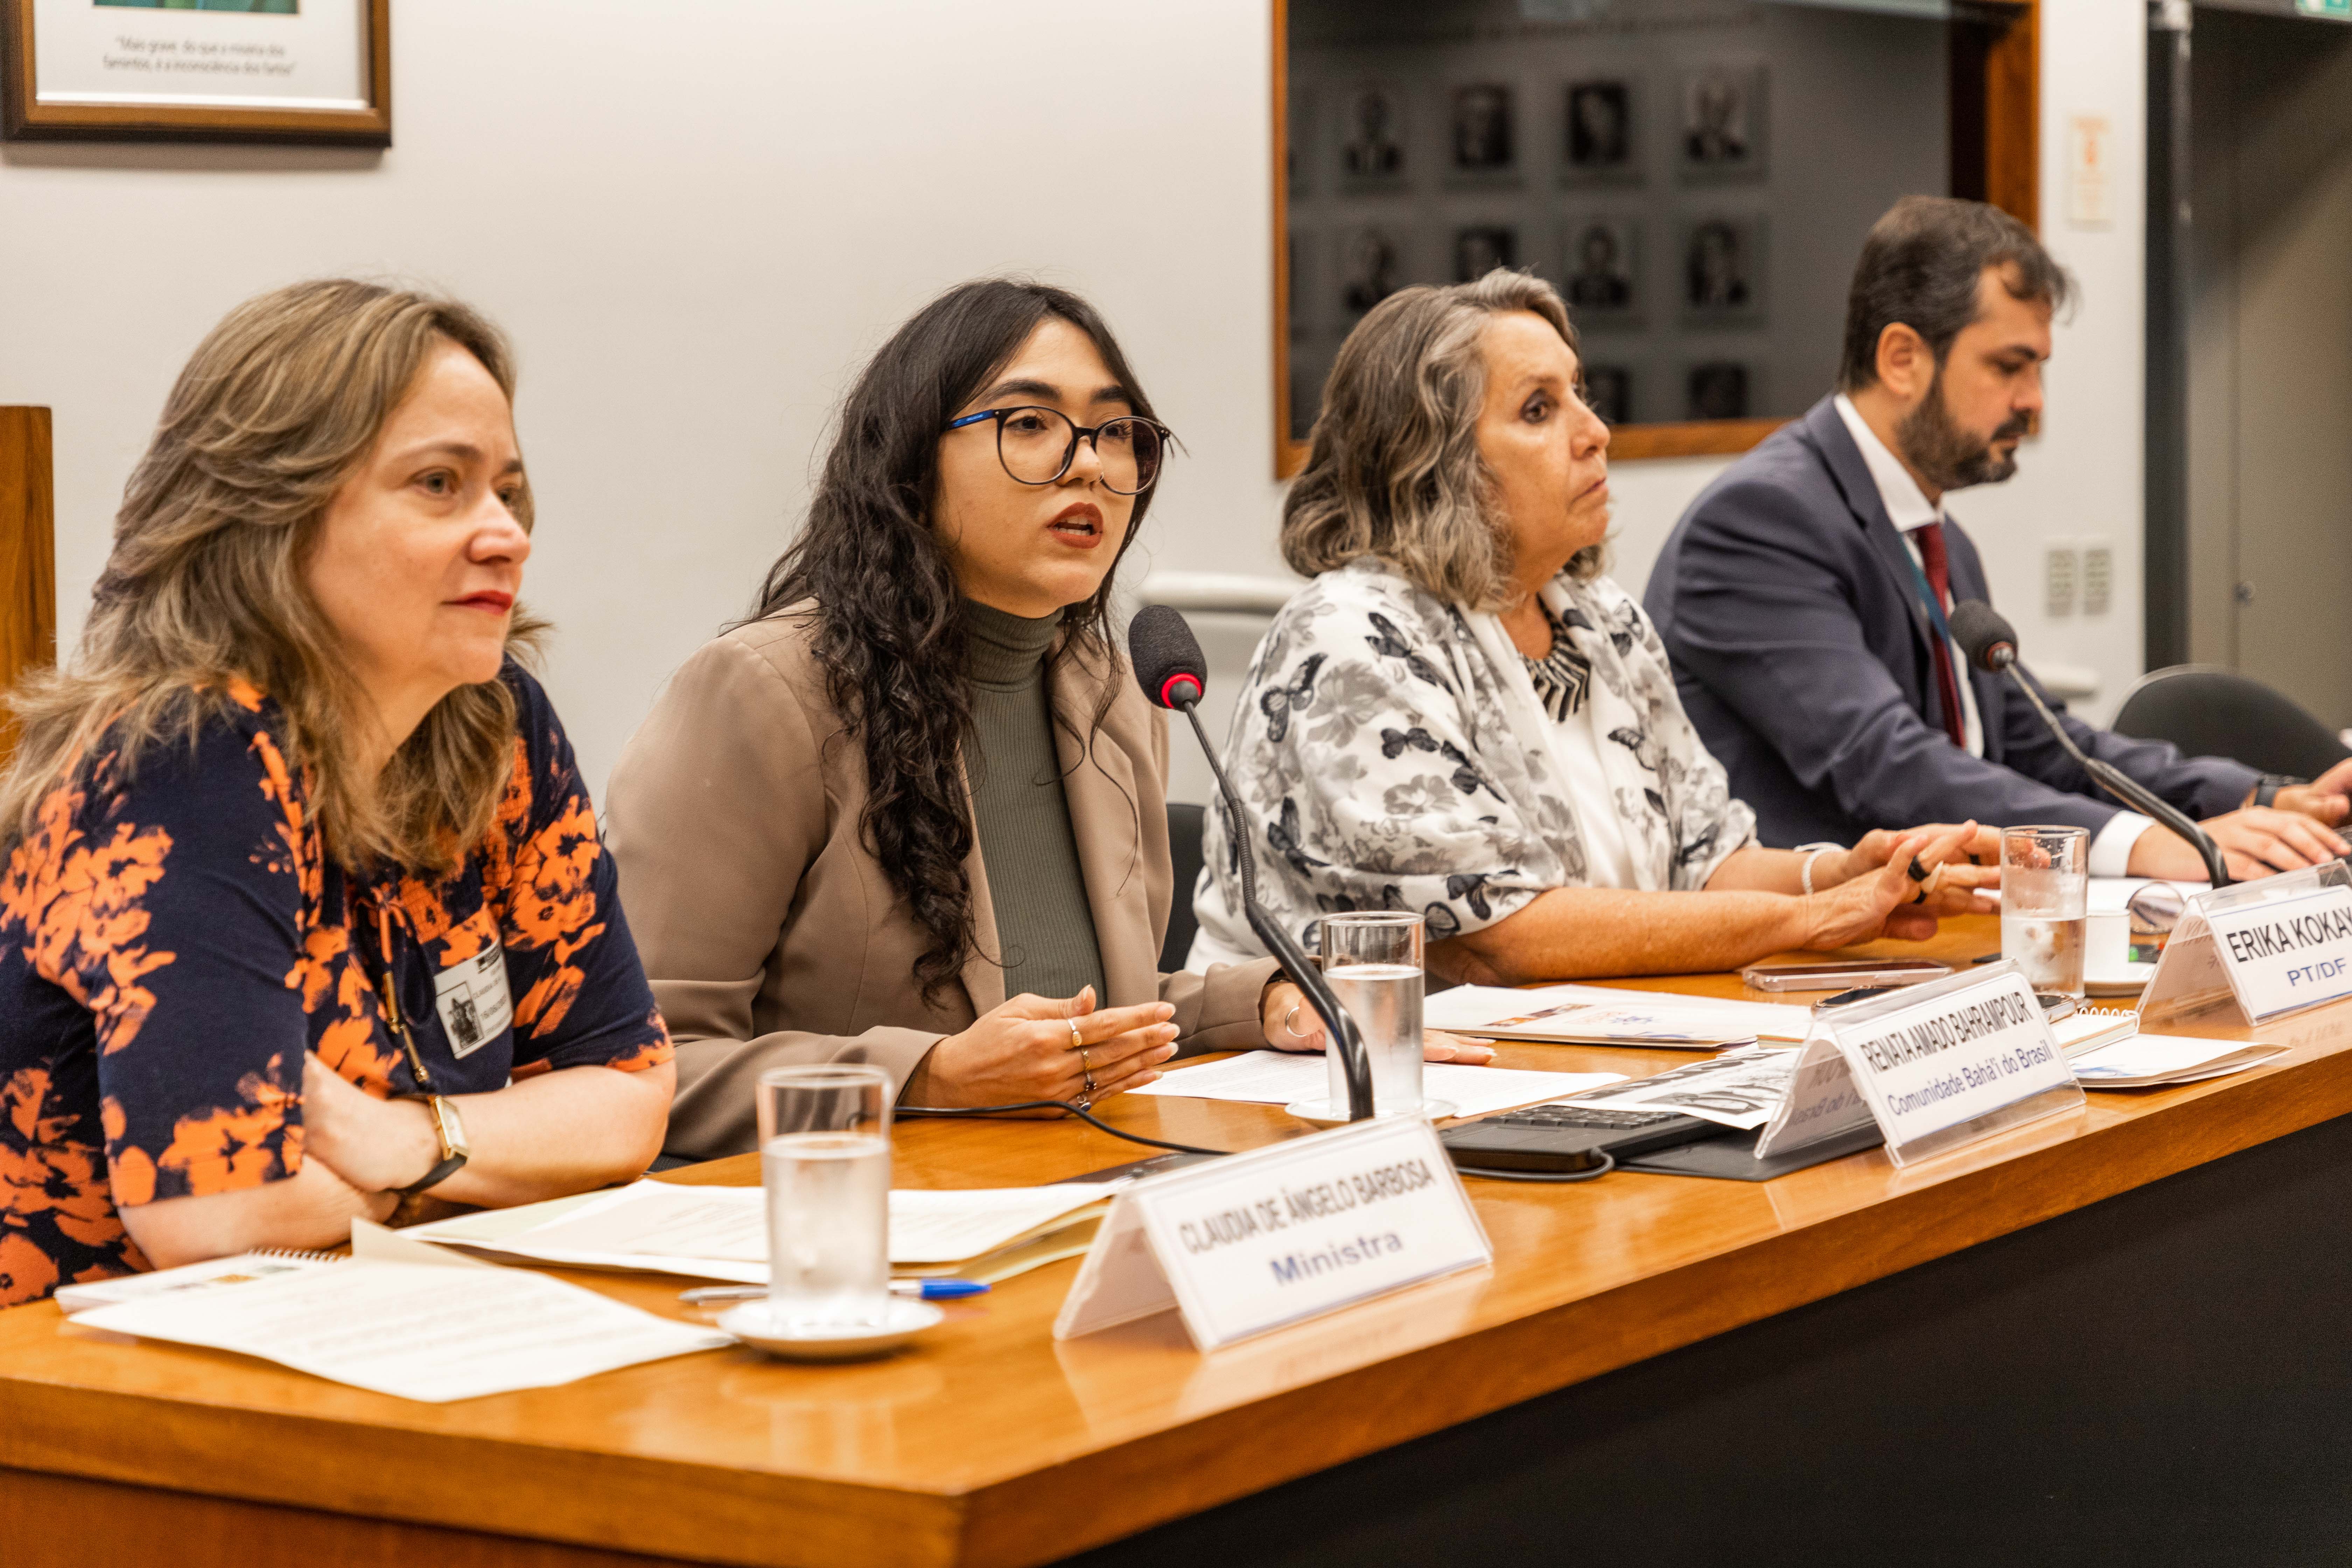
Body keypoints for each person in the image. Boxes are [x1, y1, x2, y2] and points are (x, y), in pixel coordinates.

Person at [606, 280, 1490, 1163]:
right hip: (862, 1216)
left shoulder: (1110, 691)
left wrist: (1264, 1003)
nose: (1090, 466)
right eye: (1029, 423)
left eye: (1116, 432)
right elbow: (639, 1068)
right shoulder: (765, 694)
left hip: (1081, 1183)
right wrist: (929, 1077)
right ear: (910, 462)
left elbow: (1083, 1012)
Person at [0, 281, 674, 1308]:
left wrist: (403, 1141)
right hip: (77, 1370)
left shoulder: (494, 721)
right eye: (440, 484)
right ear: (274, 513)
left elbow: (627, 1100)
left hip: (359, 1318)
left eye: (507, 491)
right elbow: (218, 1217)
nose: (507, 534)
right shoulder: (187, 755)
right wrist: (485, 1163)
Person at [1189, 271, 1995, 986]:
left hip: (1574, 1050)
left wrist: (1845, 872)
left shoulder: (1601, 619)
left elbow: (1706, 862)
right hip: (1325, 1071)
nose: (1595, 431)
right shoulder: (1350, 640)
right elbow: (1503, 939)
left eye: (1580, 393)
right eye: (1540, 409)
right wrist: (1810, 919)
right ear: (1431, 464)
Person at [1645, 197, 2352, 879]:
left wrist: (2254, 799)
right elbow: (1884, 764)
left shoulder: (1935, 534)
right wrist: (2144, 844)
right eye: (2009, 366)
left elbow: (2038, 741)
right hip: (1811, 942)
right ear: (1901, 358)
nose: (2034, 400)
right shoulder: (1760, 521)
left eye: (2038, 368)